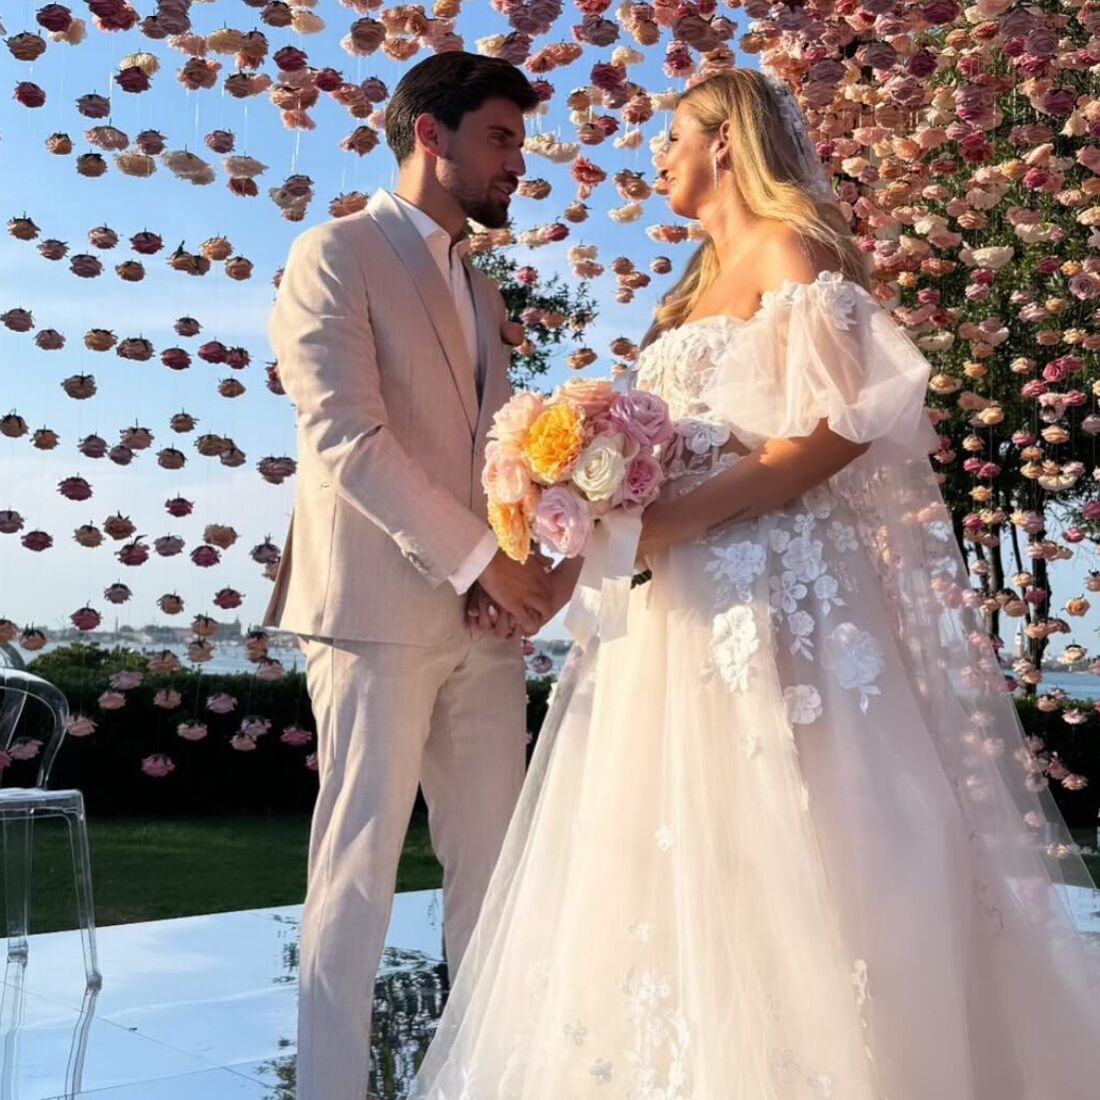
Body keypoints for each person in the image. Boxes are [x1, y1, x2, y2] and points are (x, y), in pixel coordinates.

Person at [409, 69, 1100, 1099]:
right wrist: (588, 492)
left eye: (671, 136)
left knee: (804, 829)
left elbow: (832, 431)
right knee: (662, 852)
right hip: (671, 609)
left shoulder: (795, 255)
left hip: (775, 591)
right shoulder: (687, 289)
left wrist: (669, 517)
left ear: (724, 140)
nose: (655, 157)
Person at [263, 51, 553, 1100]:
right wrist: (480, 558)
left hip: (482, 622)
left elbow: (492, 454)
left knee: (492, 873)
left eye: (517, 142)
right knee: (357, 875)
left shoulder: (478, 287)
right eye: (500, 137)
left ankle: (480, 1079)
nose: (516, 162)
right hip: (373, 613)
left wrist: (508, 565)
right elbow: (344, 435)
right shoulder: (333, 252)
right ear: (430, 134)